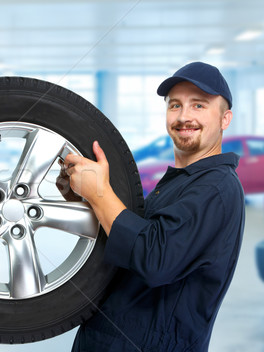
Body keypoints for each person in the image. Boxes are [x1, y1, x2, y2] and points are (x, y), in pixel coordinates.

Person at [57, 61, 245, 351]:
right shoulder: (177, 183)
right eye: (175, 105)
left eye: (199, 105)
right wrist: (84, 196)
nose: (184, 116)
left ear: (225, 118)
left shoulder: (215, 188)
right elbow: (127, 239)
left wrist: (99, 194)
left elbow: (155, 258)